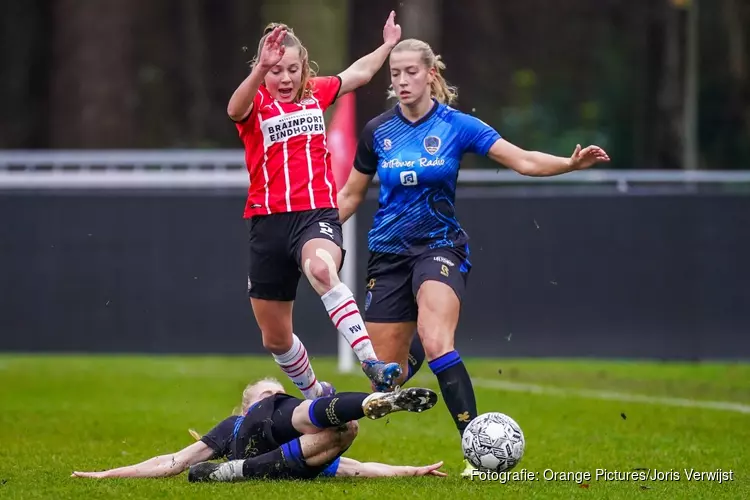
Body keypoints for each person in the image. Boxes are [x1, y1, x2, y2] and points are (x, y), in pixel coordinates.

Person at [336, 38, 611, 475]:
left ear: (431, 75)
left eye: (411, 72)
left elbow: (521, 160)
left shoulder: (457, 126)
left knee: (438, 337)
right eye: (395, 74)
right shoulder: (377, 131)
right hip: (387, 254)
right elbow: (351, 194)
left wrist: (569, 164)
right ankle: (411, 356)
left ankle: (476, 451)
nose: (402, 81)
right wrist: (316, 232)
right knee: (385, 380)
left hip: (439, 246)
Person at [228, 13, 404, 399]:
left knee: (321, 268)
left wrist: (388, 45)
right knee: (275, 338)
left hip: (315, 215)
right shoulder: (255, 103)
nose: (285, 79)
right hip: (267, 223)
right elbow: (233, 108)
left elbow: (357, 74)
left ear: (303, 68)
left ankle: (371, 362)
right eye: (276, 71)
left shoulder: (314, 92)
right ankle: (314, 393)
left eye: (292, 69)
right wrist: (259, 69)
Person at [71, 378, 444, 481]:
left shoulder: (302, 439)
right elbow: (174, 460)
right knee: (303, 409)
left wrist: (412, 470)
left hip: (280, 460)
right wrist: (107, 474)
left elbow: (357, 468)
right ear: (247, 407)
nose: (273, 398)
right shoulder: (235, 425)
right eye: (266, 396)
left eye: (275, 394)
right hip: (261, 438)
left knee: (345, 432)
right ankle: (366, 402)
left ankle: (240, 473)